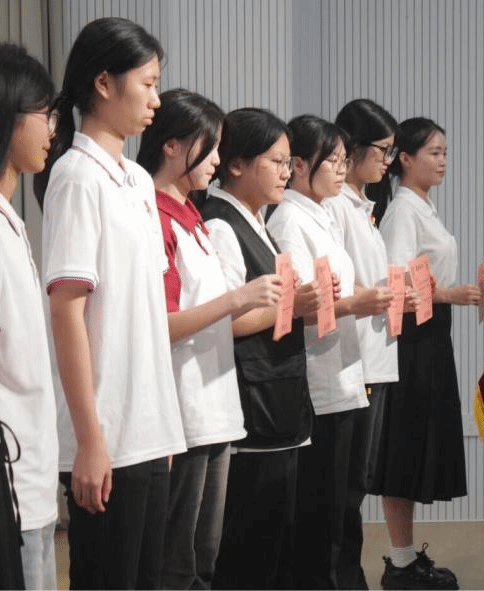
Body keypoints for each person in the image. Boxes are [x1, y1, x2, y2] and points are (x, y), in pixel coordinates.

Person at [35, 17, 188, 589]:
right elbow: (66, 313)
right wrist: (90, 441)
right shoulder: (77, 177)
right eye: (147, 84)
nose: (156, 99)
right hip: (108, 437)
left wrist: (162, 425)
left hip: (148, 432)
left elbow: (143, 316)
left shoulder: (137, 182)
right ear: (104, 83)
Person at [137, 89, 284, 589]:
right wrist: (238, 299)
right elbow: (162, 323)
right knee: (177, 563)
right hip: (185, 410)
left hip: (215, 407)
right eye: (210, 147)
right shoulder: (153, 215)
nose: (217, 160)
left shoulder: (192, 216)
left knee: (204, 559)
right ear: (171, 146)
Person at [267, 114, 392, 589]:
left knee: (343, 504)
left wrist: (366, 296)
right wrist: (359, 302)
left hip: (344, 373)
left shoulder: (321, 213)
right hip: (318, 381)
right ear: (300, 165)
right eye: (333, 161)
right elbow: (303, 302)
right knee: (321, 512)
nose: (342, 170)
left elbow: (337, 285)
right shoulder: (289, 220)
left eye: (344, 161)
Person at [196, 107, 319, 590]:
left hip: (279, 397)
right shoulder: (222, 224)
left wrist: (302, 302)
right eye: (276, 161)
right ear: (236, 164)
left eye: (289, 163)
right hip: (254, 407)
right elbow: (226, 319)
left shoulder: (256, 221)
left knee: (275, 551)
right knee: (248, 555)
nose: (286, 172)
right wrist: (294, 303)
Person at [376, 117, 484, 590]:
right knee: (403, 447)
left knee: (417, 444)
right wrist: (449, 294)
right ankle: (400, 562)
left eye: (445, 152)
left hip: (431, 333)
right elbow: (396, 282)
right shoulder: (403, 211)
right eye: (433, 153)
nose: (443, 161)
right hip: (410, 338)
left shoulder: (424, 206)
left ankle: (406, 559)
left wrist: (458, 295)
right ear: (405, 159)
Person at [328, 98, 405, 589]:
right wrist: (374, 295)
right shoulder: (336, 205)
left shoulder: (362, 205)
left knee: (357, 483)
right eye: (383, 150)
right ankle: (344, 577)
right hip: (352, 361)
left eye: (392, 151)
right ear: (352, 148)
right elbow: (334, 282)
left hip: (376, 357)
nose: (387, 161)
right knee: (344, 489)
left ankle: (349, 574)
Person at [0, 42, 58, 591]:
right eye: (44, 114)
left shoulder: (13, 220)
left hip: (33, 465)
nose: (51, 130)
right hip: (12, 470)